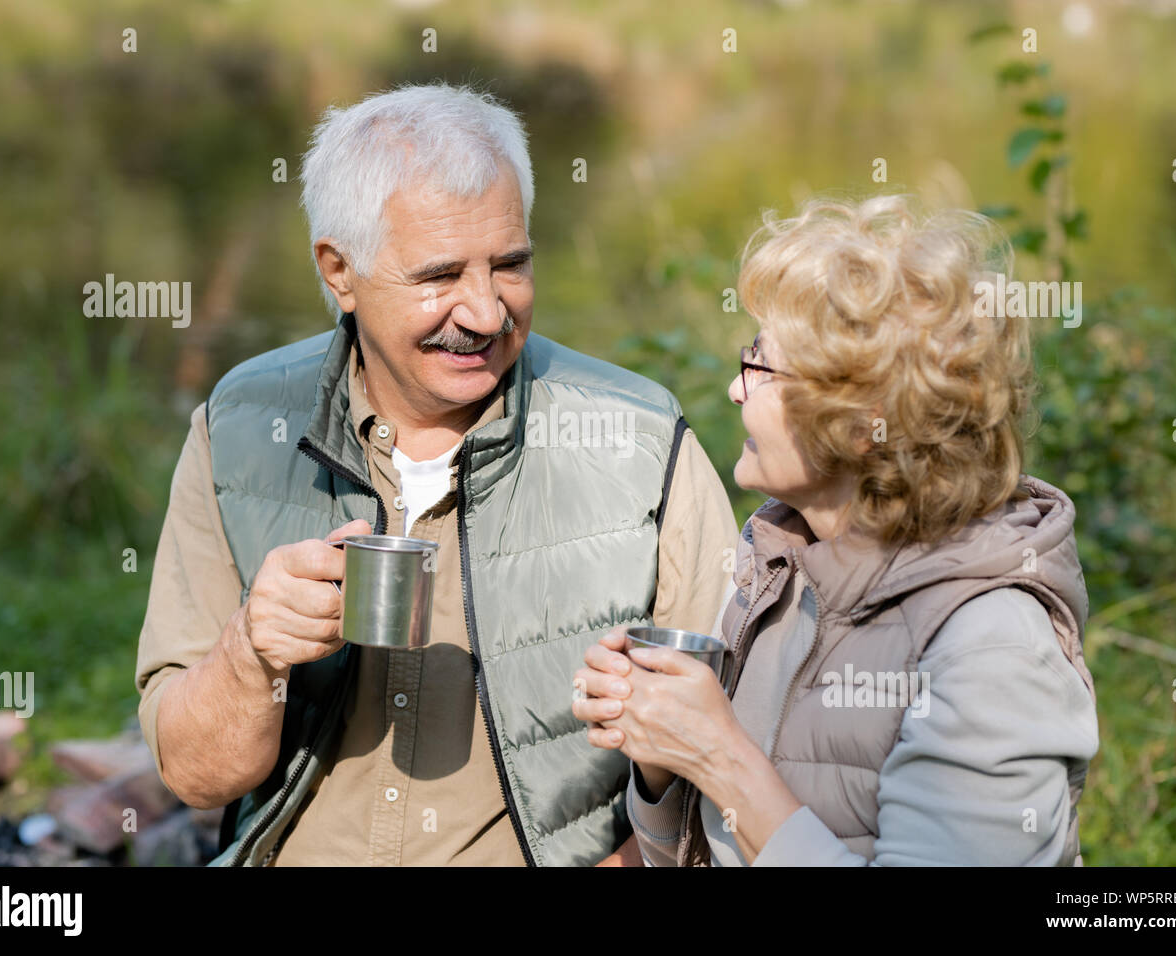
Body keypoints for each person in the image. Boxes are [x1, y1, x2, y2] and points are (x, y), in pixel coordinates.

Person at [134, 81, 737, 867]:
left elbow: (733, 756)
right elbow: (195, 775)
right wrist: (253, 652)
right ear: (339, 271)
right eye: (440, 276)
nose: (486, 312)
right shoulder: (242, 427)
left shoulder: (639, 437)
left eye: (511, 265)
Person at [574, 193, 1100, 865]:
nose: (737, 391)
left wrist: (718, 753)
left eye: (760, 367)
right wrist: (662, 754)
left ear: (860, 422)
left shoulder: (988, 650)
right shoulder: (778, 567)